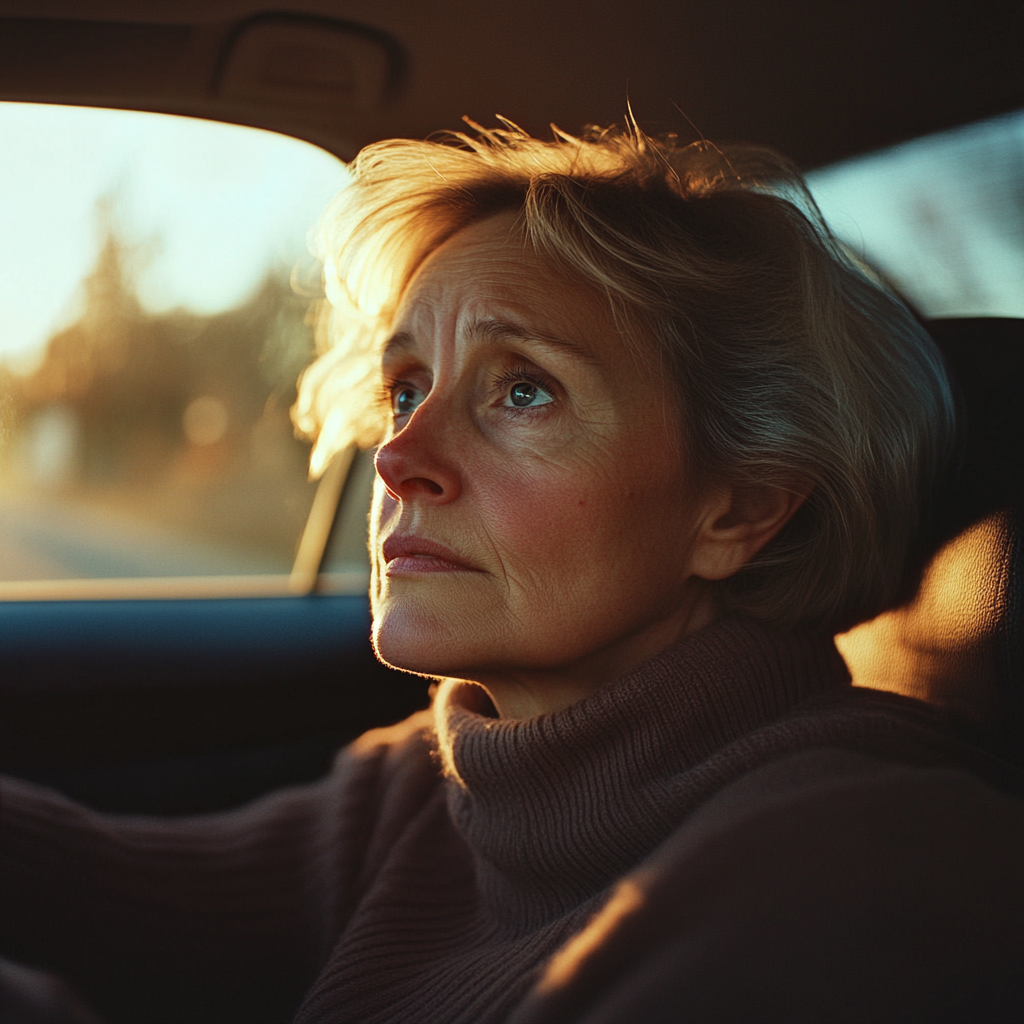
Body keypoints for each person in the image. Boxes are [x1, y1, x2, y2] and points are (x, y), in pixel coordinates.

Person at [3, 121, 1024, 1024]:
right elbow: (120, 897)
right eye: (405, 390)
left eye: (524, 390)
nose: (397, 457)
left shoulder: (853, 869)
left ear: (740, 507)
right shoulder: (445, 775)